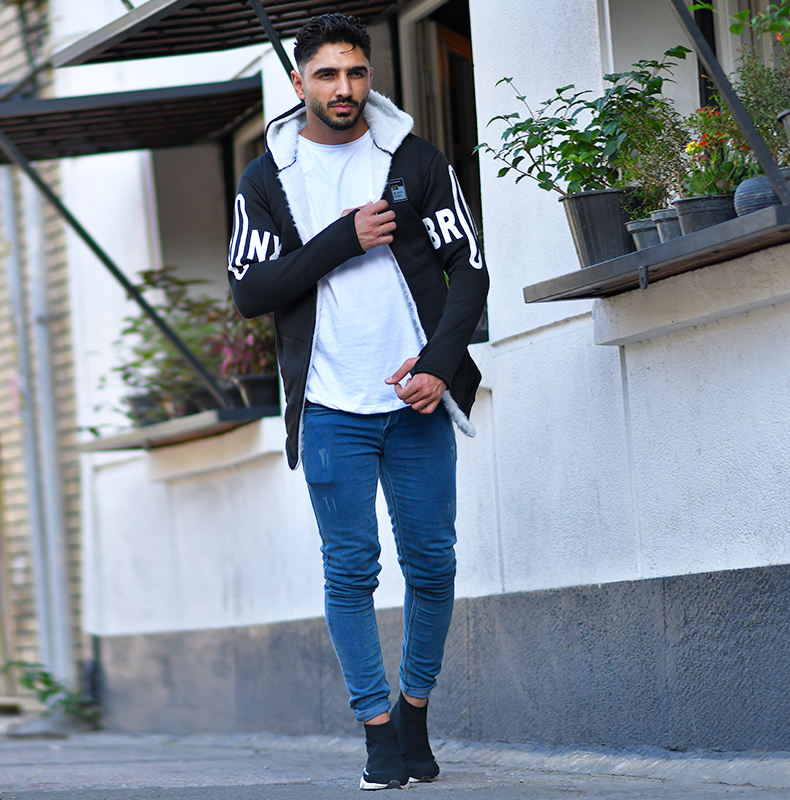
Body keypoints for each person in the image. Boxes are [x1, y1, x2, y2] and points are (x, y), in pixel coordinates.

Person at [227, 13, 489, 790]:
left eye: (356, 73)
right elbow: (251, 291)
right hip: (330, 406)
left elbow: (469, 268)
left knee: (433, 563)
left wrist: (439, 364)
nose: (344, 88)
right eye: (328, 74)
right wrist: (342, 238)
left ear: (370, 77)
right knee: (350, 570)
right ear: (299, 81)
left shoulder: (413, 160)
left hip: (415, 402)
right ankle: (377, 733)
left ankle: (414, 712)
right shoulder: (268, 178)